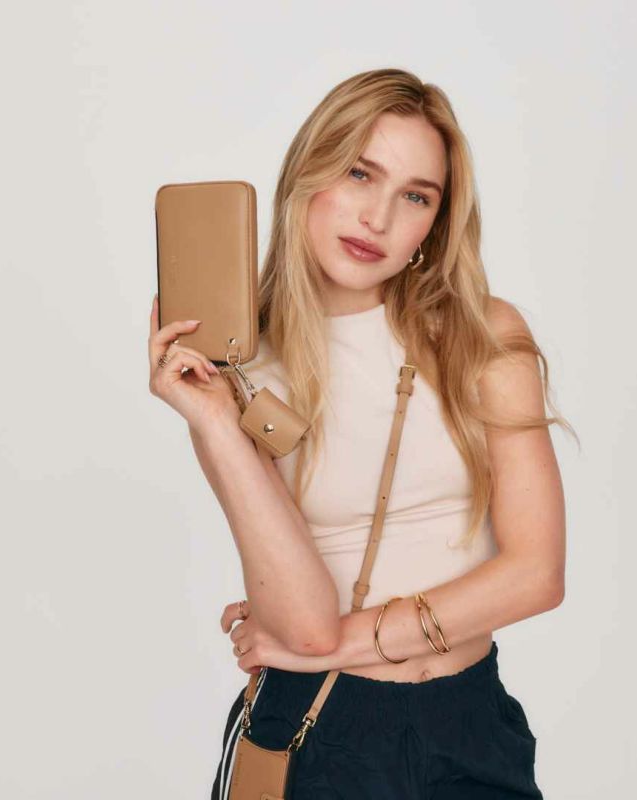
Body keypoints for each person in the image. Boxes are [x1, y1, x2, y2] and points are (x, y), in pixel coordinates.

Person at [148, 68, 571, 800]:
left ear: (434, 224)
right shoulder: (237, 375)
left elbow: (537, 574)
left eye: (415, 196)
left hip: (471, 722)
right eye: (358, 173)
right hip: (316, 728)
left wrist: (345, 638)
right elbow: (307, 630)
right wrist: (214, 421)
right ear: (307, 174)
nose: (378, 217)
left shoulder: (484, 336)